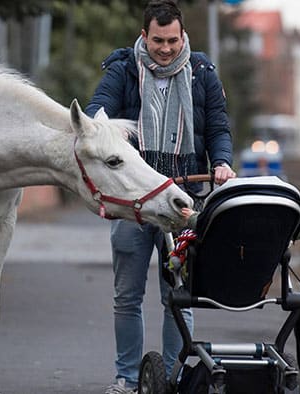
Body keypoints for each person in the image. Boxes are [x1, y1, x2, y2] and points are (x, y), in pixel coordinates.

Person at [84, 1, 237, 392]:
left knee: (180, 297)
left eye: (172, 40)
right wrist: (105, 132)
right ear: (143, 36)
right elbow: (95, 118)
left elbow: (218, 127)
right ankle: (127, 378)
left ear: (183, 36)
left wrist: (220, 161)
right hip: (134, 205)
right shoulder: (122, 71)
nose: (165, 48)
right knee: (127, 296)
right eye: (157, 41)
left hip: (183, 201)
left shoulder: (201, 73)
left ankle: (177, 378)